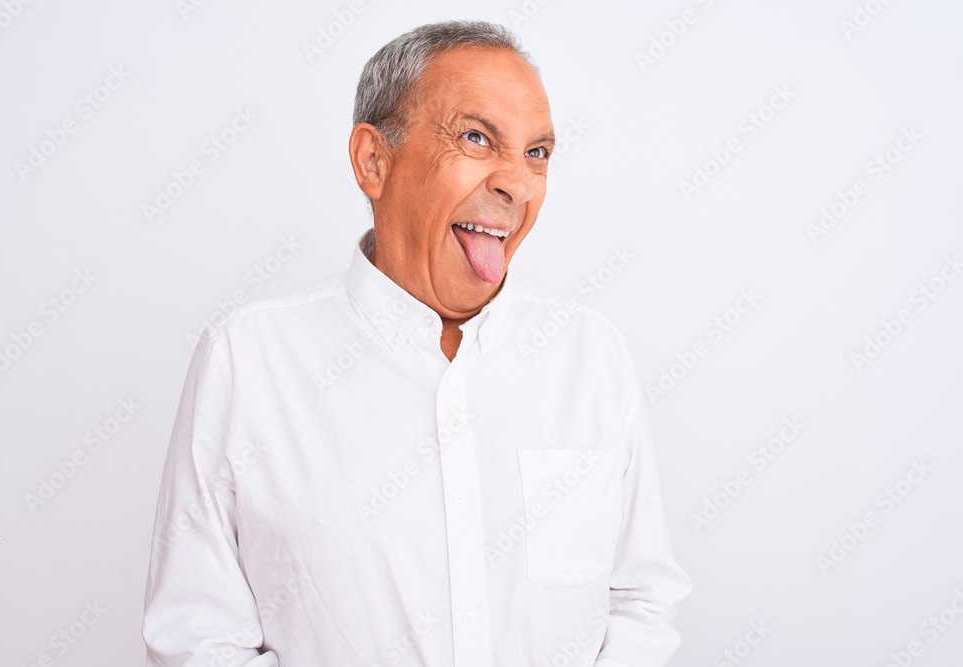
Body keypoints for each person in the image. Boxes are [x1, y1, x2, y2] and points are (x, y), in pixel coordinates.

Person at [142, 19, 691, 667]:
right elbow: (196, 638)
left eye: (537, 152)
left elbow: (640, 601)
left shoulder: (589, 354)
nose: (516, 182)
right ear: (373, 160)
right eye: (477, 137)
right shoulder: (248, 360)